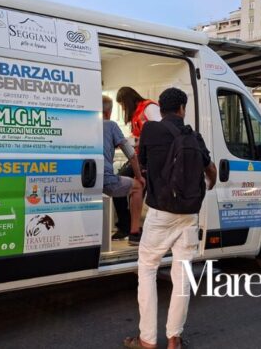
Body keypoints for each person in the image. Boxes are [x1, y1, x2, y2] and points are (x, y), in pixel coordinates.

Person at [123, 88, 217, 349]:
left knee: (148, 269)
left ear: (161, 109)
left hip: (160, 214)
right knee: (182, 275)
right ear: (182, 109)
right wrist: (207, 184)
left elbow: (141, 166)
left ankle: (147, 340)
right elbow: (211, 171)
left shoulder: (150, 131)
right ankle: (174, 339)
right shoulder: (193, 136)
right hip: (188, 215)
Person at [111, 87, 162, 244]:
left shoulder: (150, 108)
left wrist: (136, 141)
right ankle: (125, 226)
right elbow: (139, 136)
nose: (123, 109)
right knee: (116, 184)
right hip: (139, 157)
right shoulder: (136, 115)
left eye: (122, 105)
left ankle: (134, 231)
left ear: (128, 100)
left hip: (150, 159)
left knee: (137, 188)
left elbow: (159, 132)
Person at [101, 96, 146, 244]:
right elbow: (132, 155)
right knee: (137, 187)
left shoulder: (82, 124)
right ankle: (134, 233)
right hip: (104, 179)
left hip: (85, 178)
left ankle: (121, 227)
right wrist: (139, 176)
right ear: (108, 113)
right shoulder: (111, 125)